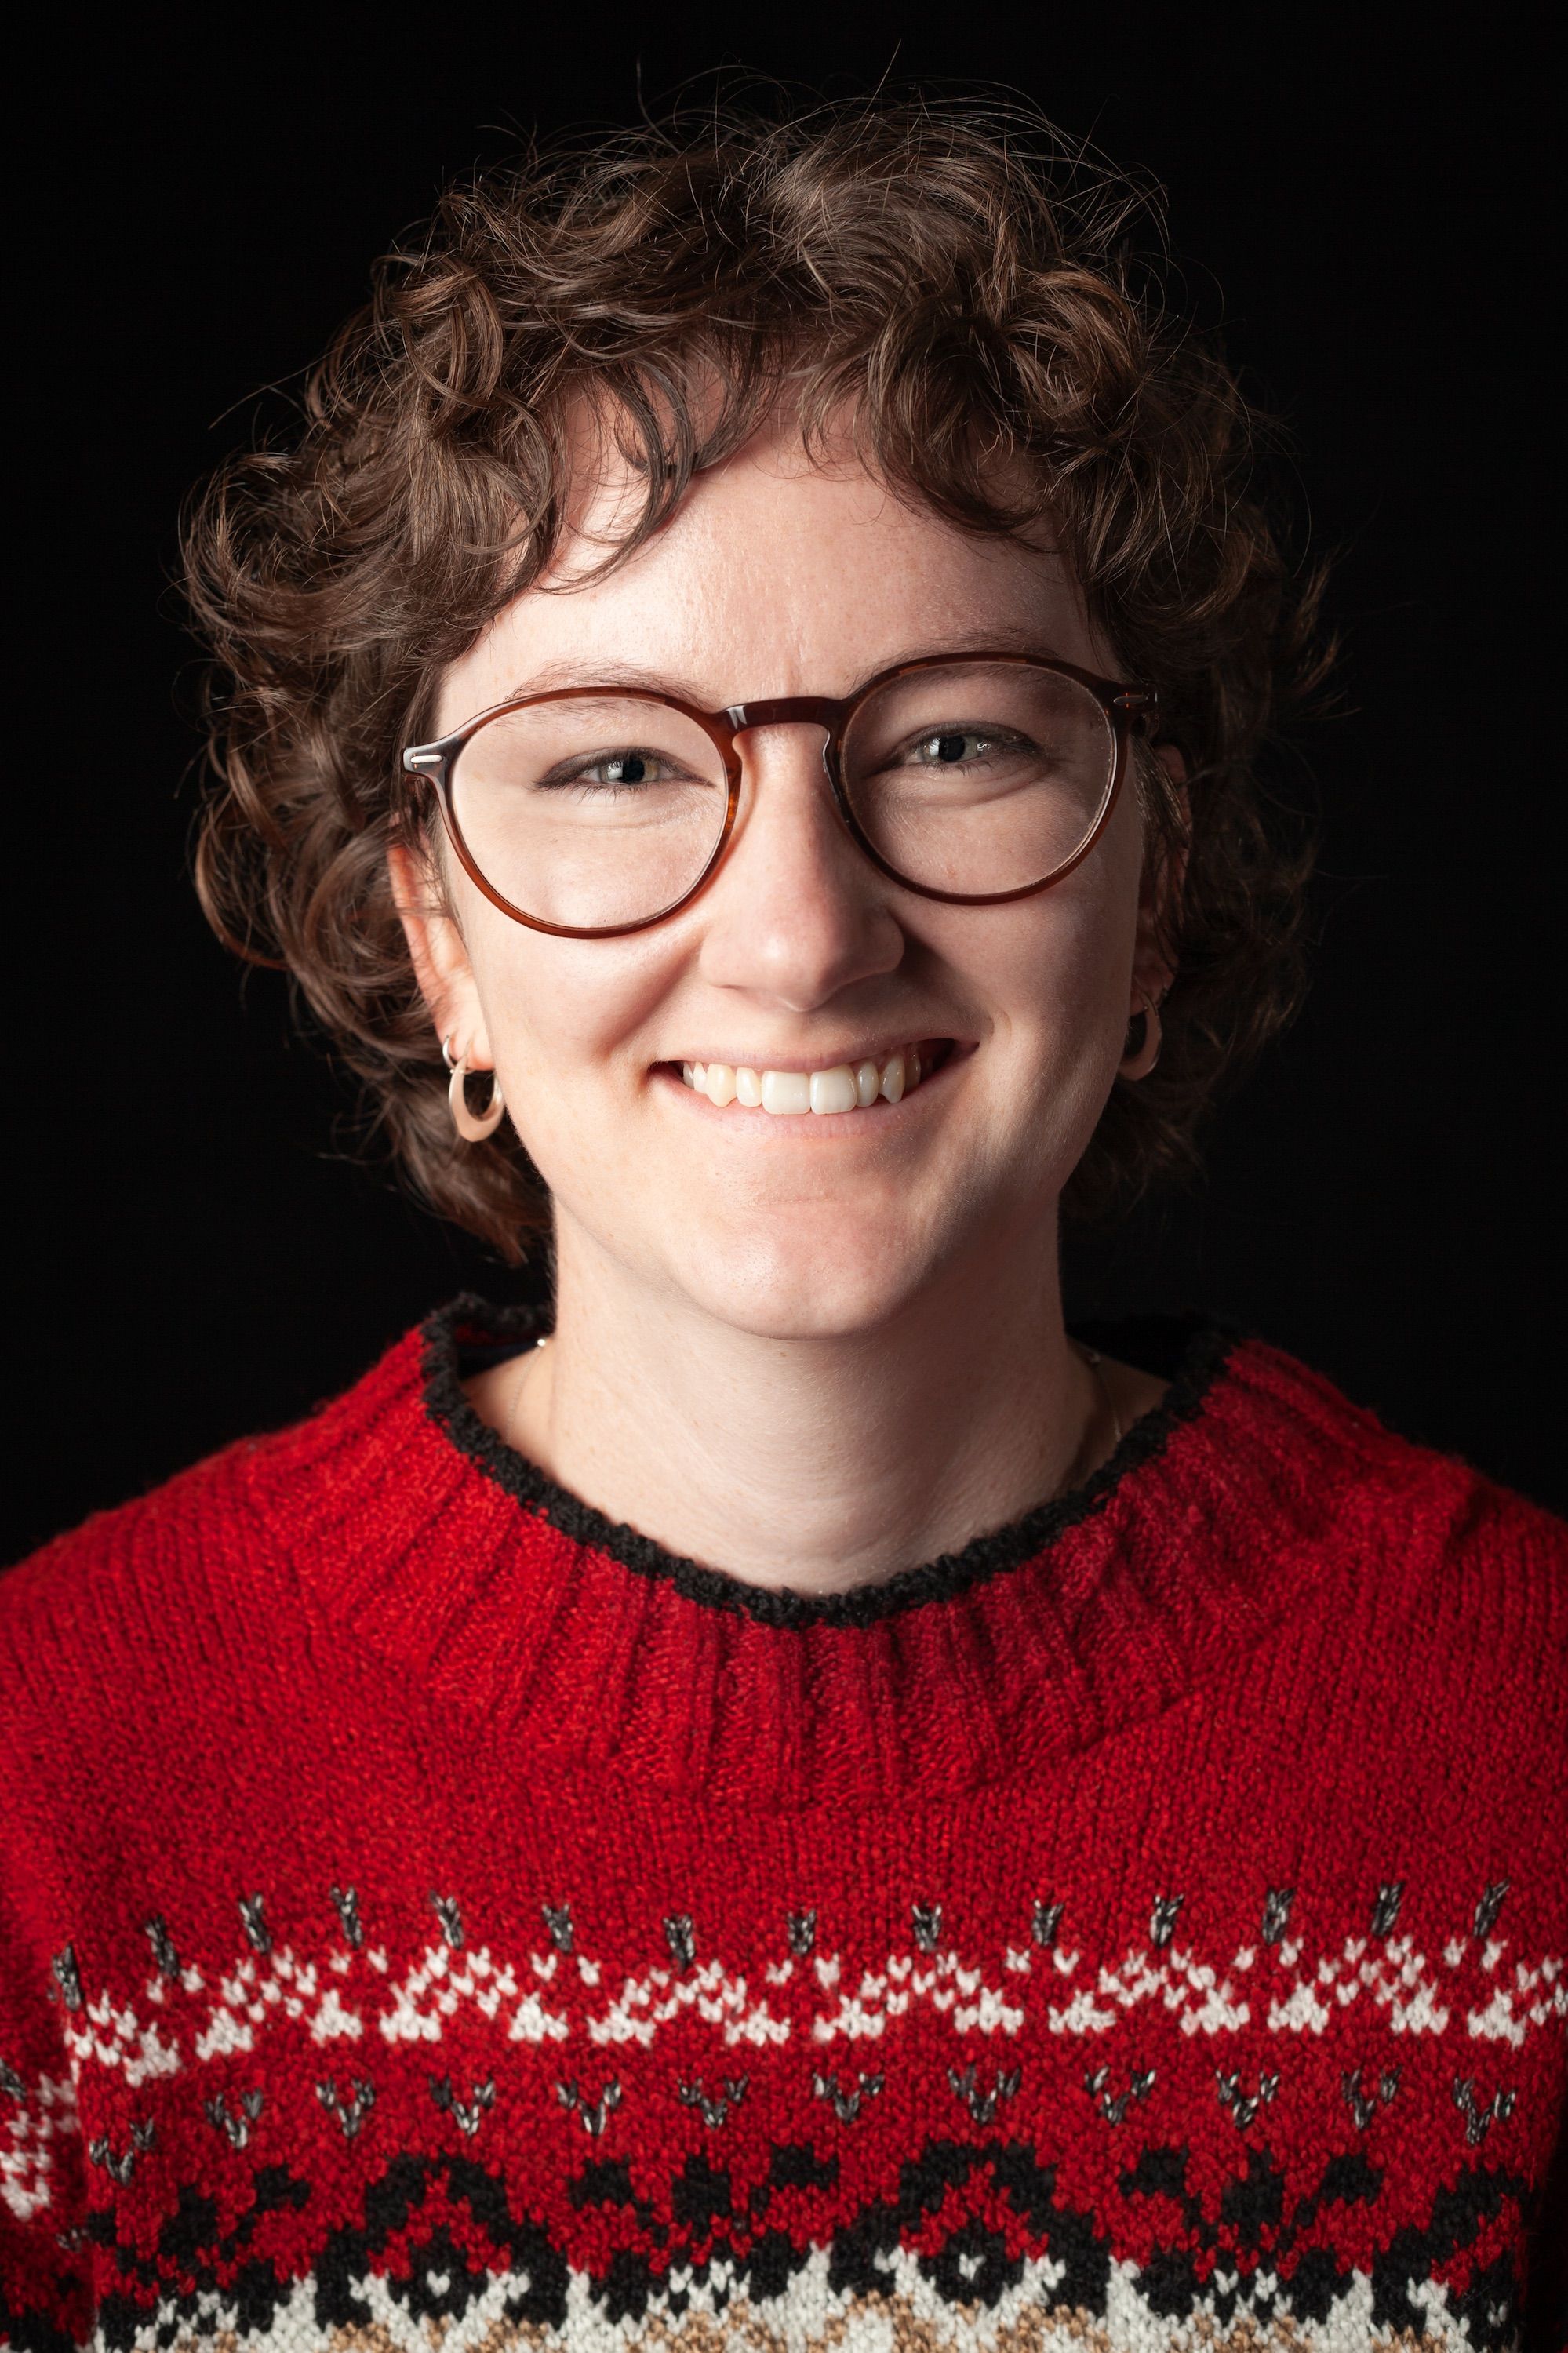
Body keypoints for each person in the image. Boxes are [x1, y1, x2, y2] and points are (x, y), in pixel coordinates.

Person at [2, 91, 1563, 2352]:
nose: (804, 934)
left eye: (954, 744)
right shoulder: (56, 1791)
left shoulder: (1521, 1740)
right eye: (618, 762)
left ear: (1153, 892)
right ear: (437, 933)